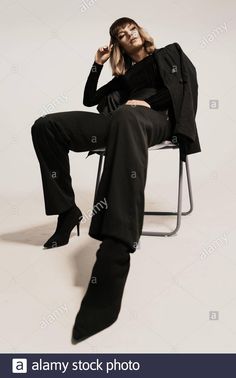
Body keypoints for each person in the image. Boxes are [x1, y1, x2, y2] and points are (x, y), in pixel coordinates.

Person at [31, 17, 175, 342]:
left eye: (131, 29)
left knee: (126, 113)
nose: (127, 35)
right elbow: (88, 99)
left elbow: (181, 91)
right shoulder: (123, 77)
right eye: (120, 35)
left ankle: (115, 247)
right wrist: (97, 65)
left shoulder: (166, 57)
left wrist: (147, 102)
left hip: (153, 119)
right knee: (45, 126)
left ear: (141, 32)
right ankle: (67, 211)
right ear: (119, 45)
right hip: (121, 119)